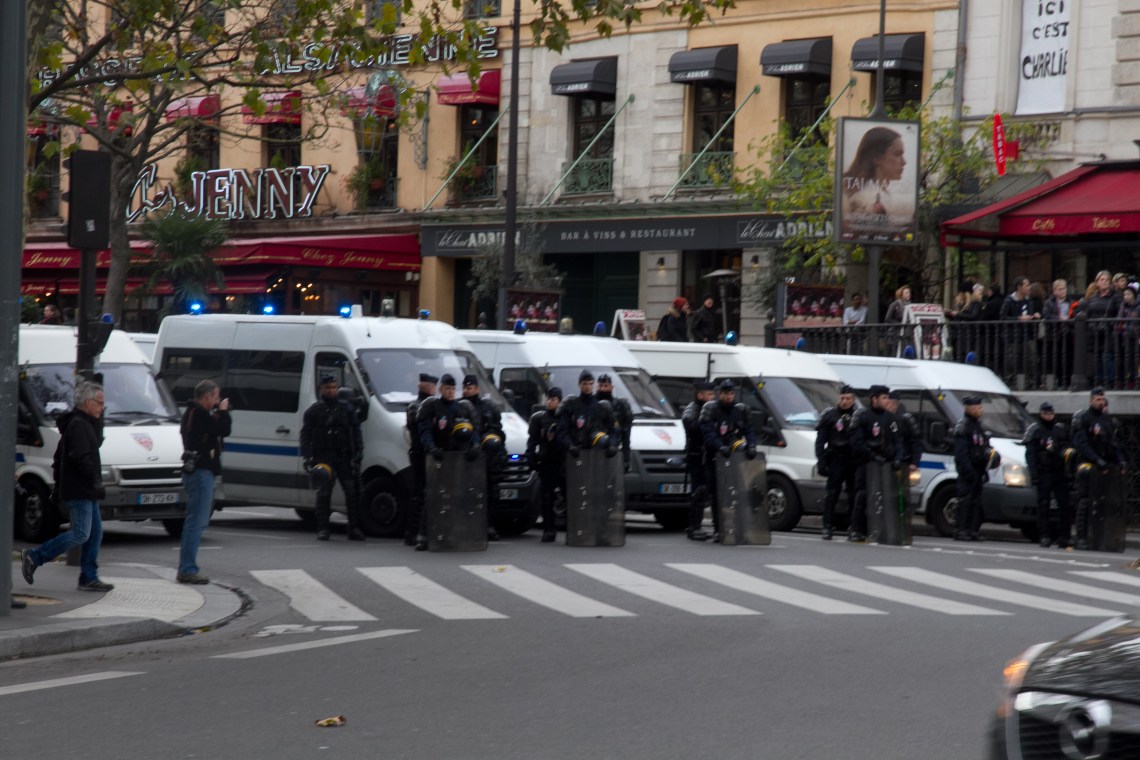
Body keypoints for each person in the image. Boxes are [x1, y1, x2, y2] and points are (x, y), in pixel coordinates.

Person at [20, 382, 114, 592]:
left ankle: (89, 577)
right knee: (81, 533)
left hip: (84, 489)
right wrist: (95, 482)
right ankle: (35, 556)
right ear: (88, 403)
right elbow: (81, 457)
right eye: (100, 403)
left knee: (95, 533)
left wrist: (101, 417)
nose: (102, 407)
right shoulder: (78, 425)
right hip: (80, 489)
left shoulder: (84, 422)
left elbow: (96, 442)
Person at [416, 373, 480, 550]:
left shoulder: (461, 408)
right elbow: (425, 430)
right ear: (440, 389)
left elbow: (473, 429)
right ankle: (423, 535)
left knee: (456, 496)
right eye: (447, 388)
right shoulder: (432, 406)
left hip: (456, 457)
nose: (451, 392)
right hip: (438, 457)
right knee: (432, 496)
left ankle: (452, 532)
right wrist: (431, 448)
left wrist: (474, 446)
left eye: (453, 389)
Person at [177, 379, 231, 583]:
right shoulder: (199, 414)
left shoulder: (192, 413)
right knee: (196, 522)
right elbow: (223, 430)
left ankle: (187, 567)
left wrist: (217, 414)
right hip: (201, 473)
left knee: (194, 521)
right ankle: (188, 569)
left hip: (196, 472)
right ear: (207, 397)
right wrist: (223, 412)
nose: (218, 401)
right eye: (216, 397)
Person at [301, 374, 365, 542]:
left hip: (343, 456)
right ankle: (323, 528)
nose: (331, 390)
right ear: (322, 388)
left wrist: (358, 452)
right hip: (323, 457)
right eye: (328, 388)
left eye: (334, 388)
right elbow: (305, 435)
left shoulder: (346, 408)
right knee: (323, 494)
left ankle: (354, 527)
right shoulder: (314, 411)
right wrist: (307, 457)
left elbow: (356, 431)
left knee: (352, 492)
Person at [698, 379, 758, 542]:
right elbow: (708, 433)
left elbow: (749, 430)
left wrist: (752, 446)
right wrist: (719, 446)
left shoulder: (740, 410)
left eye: (731, 393)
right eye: (726, 393)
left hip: (735, 457)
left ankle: (740, 529)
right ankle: (719, 529)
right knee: (718, 495)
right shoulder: (711, 409)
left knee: (739, 493)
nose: (729, 397)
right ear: (720, 394)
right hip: (715, 457)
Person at [1070, 387, 1126, 550]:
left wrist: (1120, 460)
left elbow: (1111, 443)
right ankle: (1081, 537)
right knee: (1085, 501)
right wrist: (1096, 460)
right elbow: (1081, 444)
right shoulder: (1084, 418)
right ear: (1091, 401)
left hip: (1104, 466)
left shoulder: (1106, 420)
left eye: (1102, 400)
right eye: (1097, 400)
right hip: (1088, 464)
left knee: (1104, 503)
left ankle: (1100, 537)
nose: (1101, 402)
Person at [848, 385, 900, 542]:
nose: (886, 401)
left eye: (887, 398)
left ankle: (879, 528)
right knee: (863, 494)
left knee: (884, 496)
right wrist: (871, 456)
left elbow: (898, 440)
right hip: (867, 463)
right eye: (883, 398)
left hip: (885, 464)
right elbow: (857, 442)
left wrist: (898, 457)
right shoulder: (863, 416)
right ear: (874, 399)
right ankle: (856, 528)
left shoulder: (890, 418)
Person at [840, 126, 914, 235]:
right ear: (877, 158)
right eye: (897, 154)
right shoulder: (859, 194)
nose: (904, 161)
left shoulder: (884, 193)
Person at [1022, 401, 1072, 548]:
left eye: (1051, 413)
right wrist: (1034, 474)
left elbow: (1067, 448)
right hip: (1043, 472)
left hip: (1058, 472)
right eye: (1046, 413)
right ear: (1041, 414)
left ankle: (1065, 537)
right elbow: (1030, 455)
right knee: (1043, 505)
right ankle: (1044, 536)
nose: (1049, 416)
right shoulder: (1035, 431)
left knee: (1064, 505)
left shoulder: (1060, 430)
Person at [462, 374, 505, 542]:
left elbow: (498, 431)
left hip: (488, 457)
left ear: (477, 389)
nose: (466, 391)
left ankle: (488, 526)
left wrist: (490, 440)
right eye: (464, 388)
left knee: (490, 493)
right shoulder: (460, 406)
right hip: (468, 458)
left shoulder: (488, 407)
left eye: (469, 388)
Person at [814, 384, 858, 541]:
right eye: (842, 398)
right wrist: (821, 462)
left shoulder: (858, 416)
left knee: (854, 494)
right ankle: (827, 526)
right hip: (836, 458)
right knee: (832, 494)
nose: (845, 401)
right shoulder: (831, 415)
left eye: (848, 399)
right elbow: (820, 442)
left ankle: (853, 527)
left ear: (853, 400)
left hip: (852, 460)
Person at [952, 394, 991, 542]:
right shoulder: (963, 426)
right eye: (978, 407)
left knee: (976, 501)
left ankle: (972, 530)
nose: (981, 410)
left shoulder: (977, 426)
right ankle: (961, 529)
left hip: (978, 470)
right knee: (965, 500)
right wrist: (968, 471)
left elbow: (982, 448)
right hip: (968, 471)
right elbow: (961, 453)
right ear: (970, 408)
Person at [404, 373, 437, 546]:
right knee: (418, 493)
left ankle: (419, 531)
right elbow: (419, 429)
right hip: (419, 454)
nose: (435, 389)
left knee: (424, 493)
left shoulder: (429, 405)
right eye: (433, 386)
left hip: (425, 454)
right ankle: (412, 532)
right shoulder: (416, 406)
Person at [527, 386, 564, 543]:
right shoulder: (540, 419)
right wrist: (531, 457)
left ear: (559, 401)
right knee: (546, 496)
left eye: (553, 399)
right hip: (547, 461)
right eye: (548, 399)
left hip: (563, 461)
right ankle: (549, 529)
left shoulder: (565, 418)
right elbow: (533, 440)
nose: (549, 402)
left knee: (569, 495)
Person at [556, 369, 618, 460]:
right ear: (579, 384)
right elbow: (562, 431)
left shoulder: (601, 407)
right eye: (584, 384)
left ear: (593, 384)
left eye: (590, 383)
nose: (587, 387)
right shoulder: (571, 405)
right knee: (578, 469)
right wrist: (570, 446)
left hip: (596, 455)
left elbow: (612, 431)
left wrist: (612, 445)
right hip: (577, 456)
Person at [682, 381, 716, 541]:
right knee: (699, 490)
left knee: (710, 491)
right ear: (700, 394)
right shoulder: (692, 410)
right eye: (709, 394)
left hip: (709, 456)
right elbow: (693, 427)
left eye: (713, 394)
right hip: (696, 456)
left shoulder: (710, 409)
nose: (712, 397)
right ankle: (694, 527)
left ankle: (717, 528)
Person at [1076, 270, 1121, 387]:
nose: (1105, 282)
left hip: (1109, 332)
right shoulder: (1093, 297)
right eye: (1102, 280)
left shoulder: (1115, 296)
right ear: (1097, 283)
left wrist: (1111, 324)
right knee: (1097, 358)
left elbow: (1119, 313)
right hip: (1095, 332)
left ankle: (1110, 381)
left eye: (1107, 280)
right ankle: (1099, 381)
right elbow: (1087, 312)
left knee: (1107, 357)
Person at [1000, 275, 1041, 386]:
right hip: (1013, 334)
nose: (1029, 288)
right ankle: (1010, 381)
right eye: (1026, 285)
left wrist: (1034, 316)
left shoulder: (1029, 301)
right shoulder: (1009, 301)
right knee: (1012, 359)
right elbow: (1003, 317)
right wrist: (1018, 318)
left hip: (1028, 333)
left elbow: (1029, 313)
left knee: (1032, 357)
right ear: (1019, 287)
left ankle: (1031, 382)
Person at [596, 373, 633, 470]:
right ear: (596, 386)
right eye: (600, 386)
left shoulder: (621, 406)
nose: (603, 389)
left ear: (611, 387)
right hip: (593, 452)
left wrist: (626, 459)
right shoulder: (591, 404)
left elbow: (626, 436)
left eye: (606, 386)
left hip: (614, 451)